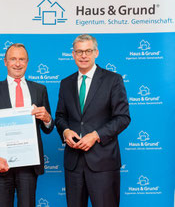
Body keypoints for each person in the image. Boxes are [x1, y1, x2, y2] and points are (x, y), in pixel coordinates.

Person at [55, 34, 131, 207]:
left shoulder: (113, 80)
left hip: (103, 162)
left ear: (96, 53)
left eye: (88, 51)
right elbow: (60, 116)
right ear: (73, 54)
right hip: (74, 163)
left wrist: (96, 135)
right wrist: (66, 131)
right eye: (79, 51)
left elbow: (123, 117)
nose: (83, 55)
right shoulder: (65, 83)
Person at [0, 43, 54, 207]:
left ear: (27, 62)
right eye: (13, 59)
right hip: (1, 162)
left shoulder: (40, 89)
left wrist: (47, 119)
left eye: (22, 59)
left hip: (28, 164)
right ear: (5, 62)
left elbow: (47, 129)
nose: (18, 63)